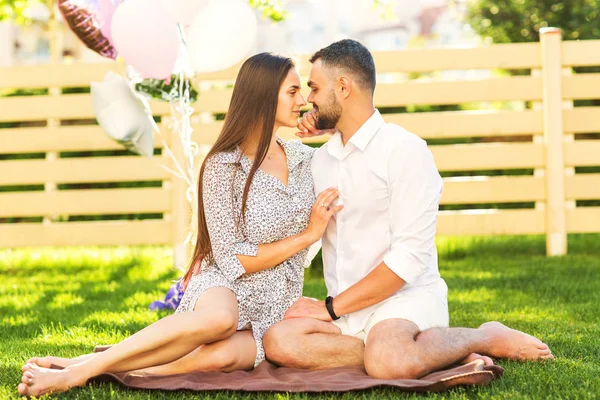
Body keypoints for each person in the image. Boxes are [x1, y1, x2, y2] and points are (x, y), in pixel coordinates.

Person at [17, 52, 341, 397]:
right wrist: (308, 235)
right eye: (293, 92)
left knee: (225, 356)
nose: (304, 100)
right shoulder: (223, 166)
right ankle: (79, 373)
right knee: (220, 321)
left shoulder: (307, 159)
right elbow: (233, 260)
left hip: (276, 299)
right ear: (263, 94)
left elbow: (352, 141)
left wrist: (327, 125)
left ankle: (89, 366)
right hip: (226, 287)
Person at [263, 39, 554, 379]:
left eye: (314, 88)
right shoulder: (321, 159)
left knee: (390, 361)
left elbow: (409, 258)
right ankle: (431, 351)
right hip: (347, 310)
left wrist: (329, 309)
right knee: (278, 341)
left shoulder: (405, 151)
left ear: (343, 87)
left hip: (405, 300)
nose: (309, 99)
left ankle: (486, 335)